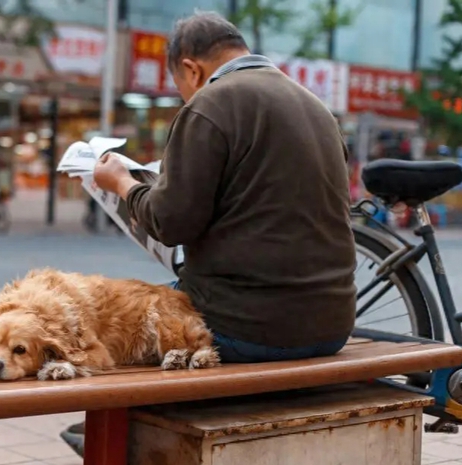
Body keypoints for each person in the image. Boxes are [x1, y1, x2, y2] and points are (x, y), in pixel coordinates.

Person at [60, 11, 356, 456]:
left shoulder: (210, 104)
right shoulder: (315, 106)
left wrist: (123, 183)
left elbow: (172, 223)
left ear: (191, 68)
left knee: (117, 324)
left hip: (246, 326)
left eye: (180, 82)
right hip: (333, 323)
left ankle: (109, 439)